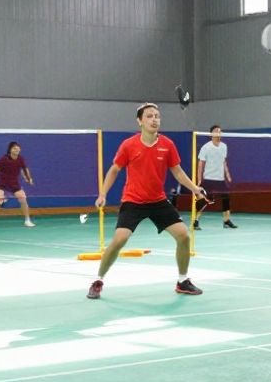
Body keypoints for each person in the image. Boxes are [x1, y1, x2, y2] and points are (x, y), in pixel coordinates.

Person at [87, 103, 209, 300]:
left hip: (158, 200)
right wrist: (102, 194)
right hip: (133, 200)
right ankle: (98, 280)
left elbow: (177, 171)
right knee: (119, 239)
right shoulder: (129, 145)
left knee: (184, 236)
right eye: (150, 116)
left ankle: (182, 281)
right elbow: (114, 170)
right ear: (140, 121)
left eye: (157, 116)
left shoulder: (167, 144)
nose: (155, 120)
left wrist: (194, 188)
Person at [195, 125, 236, 230]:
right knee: (203, 200)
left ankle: (226, 221)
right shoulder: (206, 147)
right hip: (208, 178)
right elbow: (201, 164)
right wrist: (199, 179)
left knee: (226, 199)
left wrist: (228, 175)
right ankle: (195, 221)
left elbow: (224, 162)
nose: (219, 133)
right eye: (216, 131)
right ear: (211, 134)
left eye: (220, 131)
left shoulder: (224, 146)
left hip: (220, 179)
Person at [0, 141, 35, 229]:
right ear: (10, 150)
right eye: (14, 148)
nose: (17, 149)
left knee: (23, 199)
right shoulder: (4, 158)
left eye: (18, 148)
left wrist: (28, 178)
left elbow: (25, 169)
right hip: (2, 183)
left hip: (14, 184)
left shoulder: (20, 159)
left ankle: (27, 220)